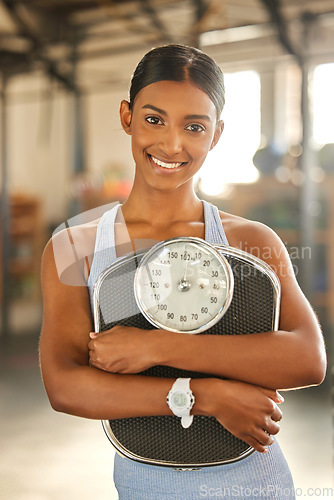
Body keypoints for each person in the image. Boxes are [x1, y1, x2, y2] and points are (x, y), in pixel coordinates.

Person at [40, 44, 326, 499]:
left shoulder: (249, 242)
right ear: (126, 116)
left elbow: (307, 359)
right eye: (154, 119)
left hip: (255, 484)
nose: (172, 145)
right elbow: (65, 386)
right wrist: (206, 396)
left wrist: (156, 346)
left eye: (194, 127)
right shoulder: (76, 247)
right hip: (143, 484)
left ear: (216, 135)